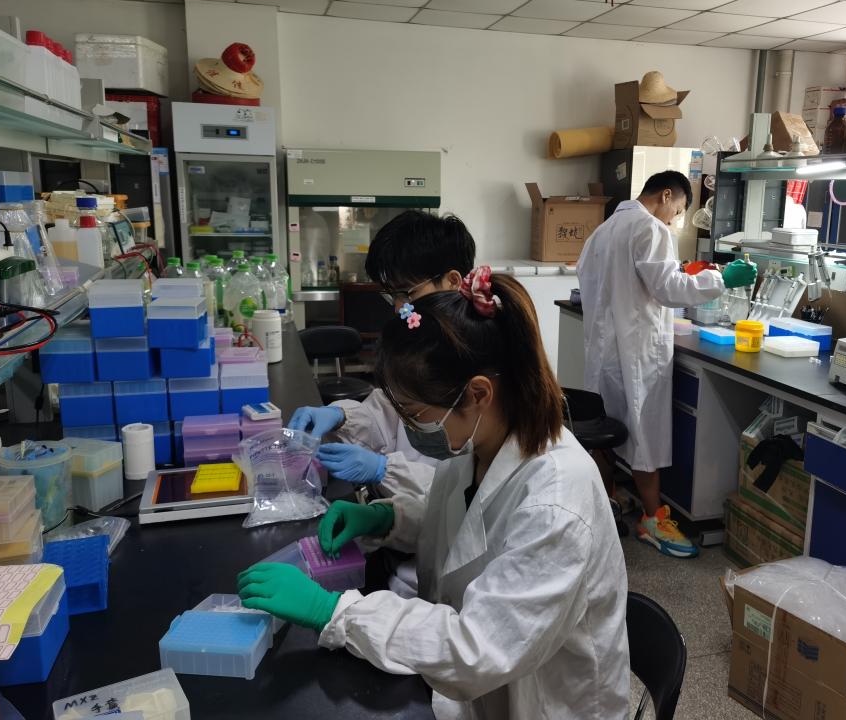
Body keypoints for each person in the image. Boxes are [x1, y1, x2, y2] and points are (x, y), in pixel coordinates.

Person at [239, 268, 629, 720]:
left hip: (543, 703)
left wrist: (334, 611)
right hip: (484, 691)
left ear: (478, 394)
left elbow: (477, 649)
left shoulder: (557, 501)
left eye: (413, 412)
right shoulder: (483, 441)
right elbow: (474, 527)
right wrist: (391, 518)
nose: (408, 426)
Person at [578, 170, 756, 559]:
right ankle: (652, 520)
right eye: (677, 211)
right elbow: (669, 289)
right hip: (636, 354)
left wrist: (684, 275)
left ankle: (606, 502)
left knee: (604, 432)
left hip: (605, 354)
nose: (673, 220)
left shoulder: (602, 232)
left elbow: (631, 281)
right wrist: (723, 279)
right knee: (645, 438)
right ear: (665, 196)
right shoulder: (650, 228)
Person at [289, 210, 476, 505]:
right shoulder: (421, 342)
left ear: (453, 281)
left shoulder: (479, 358)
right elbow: (389, 412)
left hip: (433, 520)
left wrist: (384, 470)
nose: (398, 307)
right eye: (392, 295)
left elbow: (463, 493)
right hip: (403, 515)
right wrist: (342, 417)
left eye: (406, 293)